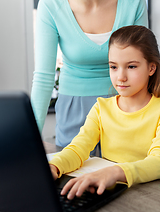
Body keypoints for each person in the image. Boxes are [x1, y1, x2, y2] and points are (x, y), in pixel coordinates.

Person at [49, 25, 160, 200]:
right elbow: (78, 149)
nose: (121, 77)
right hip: (112, 193)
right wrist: (53, 167)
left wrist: (115, 172)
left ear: (151, 68)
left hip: (151, 195)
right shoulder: (101, 108)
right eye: (113, 67)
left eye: (131, 67)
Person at [31, 0, 149, 148]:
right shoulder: (51, 5)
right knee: (72, 167)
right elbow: (43, 77)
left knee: (123, 168)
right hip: (74, 107)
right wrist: (30, 138)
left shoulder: (133, 3)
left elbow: (143, 64)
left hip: (125, 103)